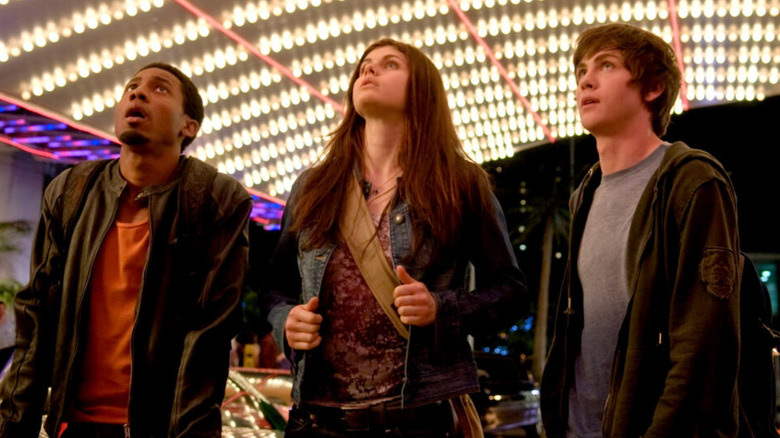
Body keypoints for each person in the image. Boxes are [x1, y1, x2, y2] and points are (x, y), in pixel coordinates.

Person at [260, 38, 528, 437]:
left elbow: (511, 292)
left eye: (389, 65)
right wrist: (286, 321)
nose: (368, 70)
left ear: (421, 89)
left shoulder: (460, 184)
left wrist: (442, 308)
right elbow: (275, 285)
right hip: (317, 419)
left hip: (417, 417)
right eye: (365, 65)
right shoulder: (314, 186)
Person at [0, 62, 253, 438]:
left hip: (160, 427)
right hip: (74, 424)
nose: (137, 93)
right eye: (131, 87)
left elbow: (210, 334)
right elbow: (36, 315)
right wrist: (14, 426)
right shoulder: (72, 192)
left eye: (160, 89)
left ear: (189, 127)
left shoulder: (214, 199)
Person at [540, 23, 740, 437]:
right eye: (581, 71)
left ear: (652, 87)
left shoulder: (692, 181)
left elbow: (704, 345)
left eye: (606, 65)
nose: (586, 80)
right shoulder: (586, 192)